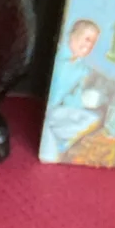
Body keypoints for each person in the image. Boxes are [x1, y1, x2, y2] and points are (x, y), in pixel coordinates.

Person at [40, 19, 102, 162]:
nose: (89, 45)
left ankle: (59, 140)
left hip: (57, 112)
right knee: (48, 153)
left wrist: (75, 105)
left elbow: (74, 97)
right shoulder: (56, 57)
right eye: (87, 39)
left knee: (91, 119)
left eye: (93, 42)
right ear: (72, 36)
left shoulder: (83, 70)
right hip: (44, 108)